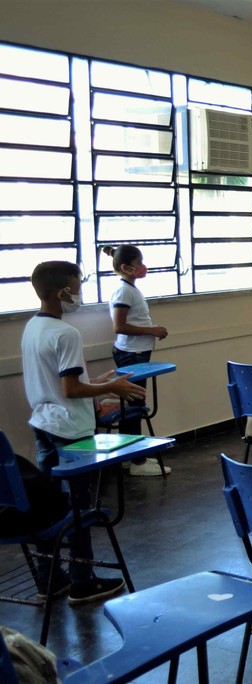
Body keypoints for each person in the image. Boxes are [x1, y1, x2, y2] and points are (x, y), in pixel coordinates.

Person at [20, 260, 145, 604]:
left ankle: (50, 580)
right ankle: (82, 581)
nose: (80, 294)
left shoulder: (33, 327)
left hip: (44, 425)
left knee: (47, 507)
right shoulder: (66, 333)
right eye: (77, 287)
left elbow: (61, 384)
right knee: (78, 510)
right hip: (71, 431)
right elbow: (72, 390)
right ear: (63, 292)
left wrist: (102, 383)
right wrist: (115, 391)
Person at [104, 244, 170, 477]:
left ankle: (129, 456)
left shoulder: (130, 289)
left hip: (135, 353)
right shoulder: (123, 292)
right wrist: (152, 331)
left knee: (132, 406)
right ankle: (137, 461)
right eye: (139, 263)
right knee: (134, 408)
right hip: (130, 354)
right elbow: (119, 326)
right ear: (126, 267)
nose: (143, 267)